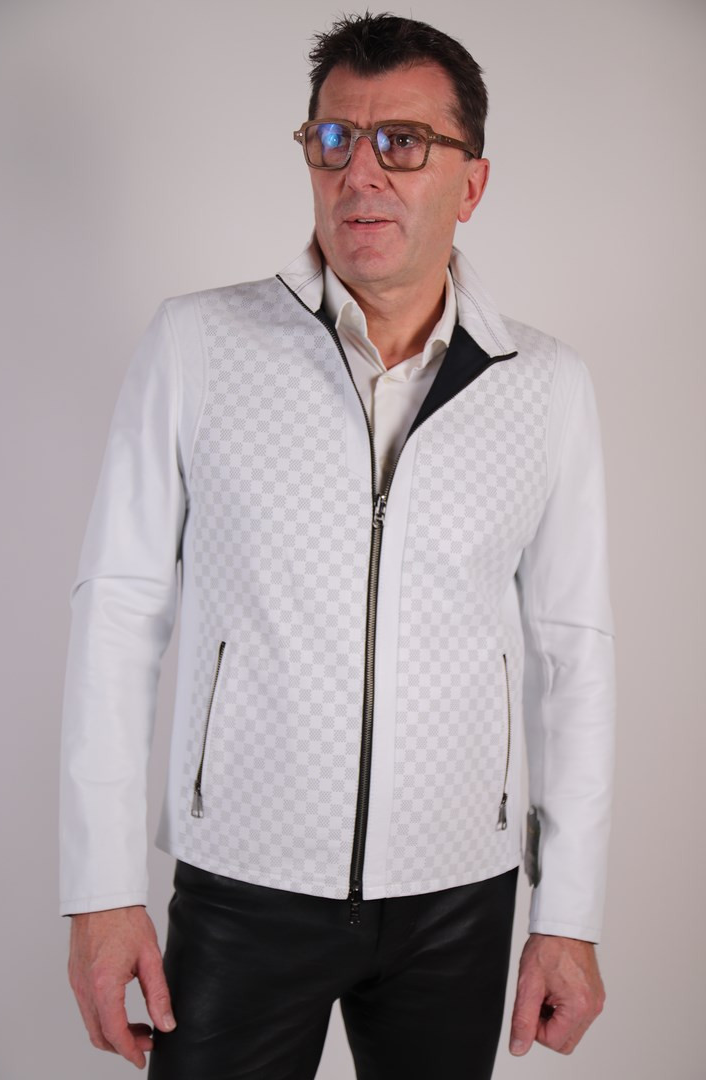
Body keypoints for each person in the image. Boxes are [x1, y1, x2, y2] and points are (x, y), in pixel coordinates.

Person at [61, 12, 616, 1080]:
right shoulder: (199, 345)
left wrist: (570, 913)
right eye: (333, 139)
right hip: (244, 886)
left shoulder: (545, 386)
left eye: (401, 142)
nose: (360, 172)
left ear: (472, 181)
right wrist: (100, 890)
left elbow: (572, 656)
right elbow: (119, 612)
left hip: (459, 897)